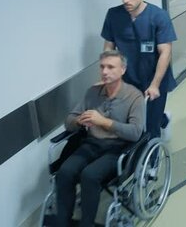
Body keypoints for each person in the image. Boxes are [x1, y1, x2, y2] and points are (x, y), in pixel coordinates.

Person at [56, 50, 144, 227]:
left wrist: (103, 122)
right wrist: (79, 121)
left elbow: (135, 132)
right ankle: (62, 223)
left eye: (111, 67)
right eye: (102, 67)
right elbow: (68, 122)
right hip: (91, 143)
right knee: (64, 172)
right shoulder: (93, 92)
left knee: (89, 175)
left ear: (123, 70)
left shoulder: (135, 97)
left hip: (117, 149)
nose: (104, 72)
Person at [101, 0, 176, 142]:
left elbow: (165, 52)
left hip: (155, 78)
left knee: (150, 126)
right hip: (129, 79)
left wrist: (155, 85)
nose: (126, 0)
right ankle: (163, 119)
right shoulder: (114, 15)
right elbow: (108, 48)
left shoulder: (158, 16)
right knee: (132, 120)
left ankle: (152, 164)